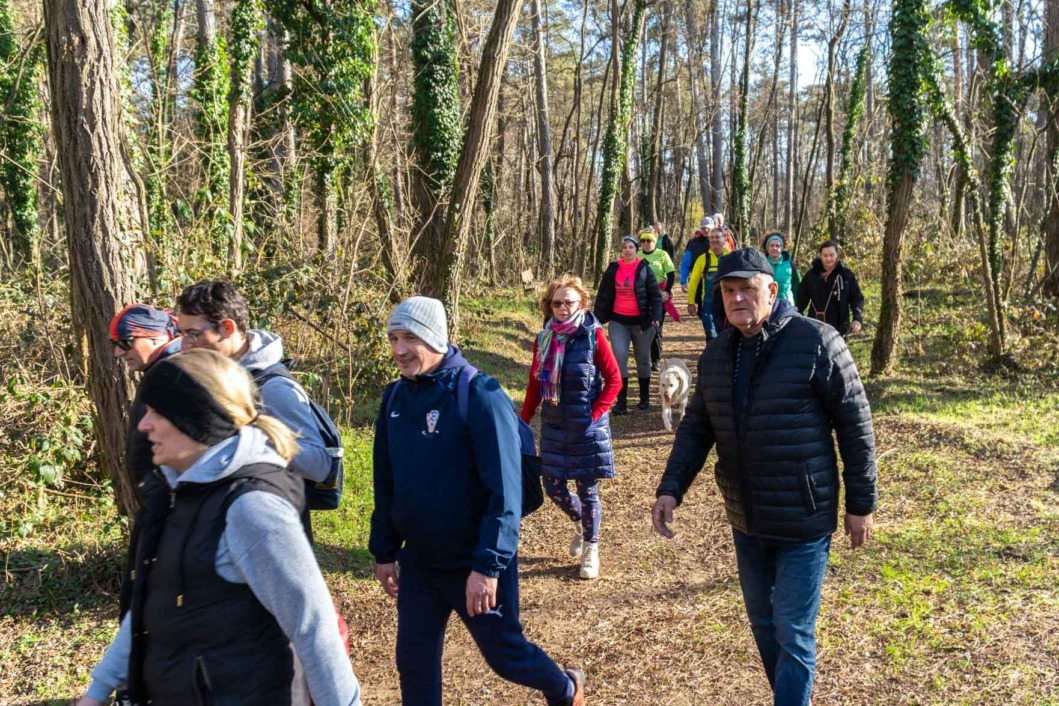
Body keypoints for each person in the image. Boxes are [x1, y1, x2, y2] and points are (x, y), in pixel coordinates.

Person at [651, 249, 877, 706]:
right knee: (763, 625)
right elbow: (697, 428)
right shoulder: (717, 356)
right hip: (746, 518)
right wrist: (670, 489)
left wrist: (861, 504)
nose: (737, 299)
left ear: (772, 290)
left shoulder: (818, 342)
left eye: (747, 289)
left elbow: (856, 426)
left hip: (803, 518)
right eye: (729, 291)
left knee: (792, 631)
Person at [76, 349, 361, 706]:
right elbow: (153, 601)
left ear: (195, 419)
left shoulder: (251, 507)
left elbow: (313, 625)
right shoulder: (176, 492)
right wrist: (98, 690)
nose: (143, 425)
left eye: (157, 413)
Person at [370, 296, 587, 706]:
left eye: (409, 338)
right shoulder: (395, 398)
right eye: (393, 338)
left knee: (506, 656)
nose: (398, 349)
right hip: (420, 562)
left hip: (472, 561)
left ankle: (564, 687)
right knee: (413, 663)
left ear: (435, 337)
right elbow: (386, 480)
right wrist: (383, 550)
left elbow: (504, 493)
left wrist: (486, 566)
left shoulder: (479, 394)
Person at [175, 280, 334, 538]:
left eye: (193, 334)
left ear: (227, 328)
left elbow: (319, 464)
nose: (184, 345)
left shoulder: (274, 389)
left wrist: (248, 439)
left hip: (272, 533)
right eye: (181, 334)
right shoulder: (213, 376)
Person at [521, 276, 621, 579]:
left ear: (582, 304)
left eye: (569, 302)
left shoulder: (593, 336)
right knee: (552, 485)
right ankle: (580, 523)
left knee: (587, 489)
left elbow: (614, 380)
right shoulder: (544, 338)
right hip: (554, 425)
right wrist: (522, 420)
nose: (563, 308)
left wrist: (594, 414)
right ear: (549, 306)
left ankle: (592, 547)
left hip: (587, 426)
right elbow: (536, 382)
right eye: (557, 303)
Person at [594, 236, 663, 414]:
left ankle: (644, 399)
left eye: (631, 247)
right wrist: (596, 319)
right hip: (618, 322)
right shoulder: (613, 269)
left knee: (643, 359)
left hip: (642, 323)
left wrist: (656, 316)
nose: (627, 250)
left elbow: (655, 296)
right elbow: (603, 296)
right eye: (624, 247)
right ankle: (621, 402)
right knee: (620, 358)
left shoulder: (644, 269)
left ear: (636, 249)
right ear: (621, 251)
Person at [795, 239, 864, 337]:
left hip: (839, 327)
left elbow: (856, 298)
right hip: (815, 325)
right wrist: (798, 318)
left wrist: (857, 319)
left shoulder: (846, 275)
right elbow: (801, 300)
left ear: (837, 255)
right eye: (825, 255)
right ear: (820, 255)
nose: (828, 259)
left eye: (831, 255)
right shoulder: (811, 275)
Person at [637, 227, 677, 372]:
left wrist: (666, 291)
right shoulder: (637, 255)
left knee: (656, 326)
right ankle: (644, 357)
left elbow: (671, 274)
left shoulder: (662, 254)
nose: (646, 243)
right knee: (643, 326)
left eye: (649, 240)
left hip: (659, 295)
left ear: (654, 242)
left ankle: (656, 359)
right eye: (643, 241)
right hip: (642, 295)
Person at [686, 227, 731, 341]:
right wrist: (691, 302)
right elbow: (694, 282)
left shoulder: (732, 257)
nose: (714, 240)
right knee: (711, 334)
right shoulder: (703, 259)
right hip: (708, 302)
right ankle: (712, 357)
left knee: (727, 333)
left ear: (724, 238)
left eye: (717, 237)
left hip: (728, 301)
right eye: (711, 238)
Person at [761, 231, 800, 305]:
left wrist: (799, 305)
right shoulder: (761, 264)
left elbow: (797, 286)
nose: (774, 248)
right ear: (767, 248)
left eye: (777, 246)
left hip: (786, 304)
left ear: (782, 248)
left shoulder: (790, 265)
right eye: (771, 245)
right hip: (767, 304)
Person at [679, 216, 714, 294]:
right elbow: (686, 262)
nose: (706, 230)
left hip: (716, 280)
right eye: (704, 228)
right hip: (698, 278)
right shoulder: (693, 242)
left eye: (708, 228)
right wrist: (683, 281)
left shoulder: (719, 241)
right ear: (700, 229)